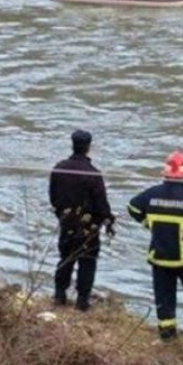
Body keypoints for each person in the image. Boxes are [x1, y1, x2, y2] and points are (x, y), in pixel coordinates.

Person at [127, 150, 183, 340]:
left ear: (165, 171)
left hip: (160, 258)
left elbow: (132, 207)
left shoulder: (151, 194)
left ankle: (167, 336)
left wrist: (149, 225)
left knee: (164, 298)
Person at [48, 130, 115, 311]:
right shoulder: (93, 174)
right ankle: (82, 301)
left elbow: (53, 198)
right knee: (87, 261)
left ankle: (59, 295)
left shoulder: (59, 168)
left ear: (72, 144)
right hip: (89, 226)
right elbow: (101, 203)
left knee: (65, 258)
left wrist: (62, 216)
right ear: (88, 147)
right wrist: (108, 220)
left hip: (66, 222)